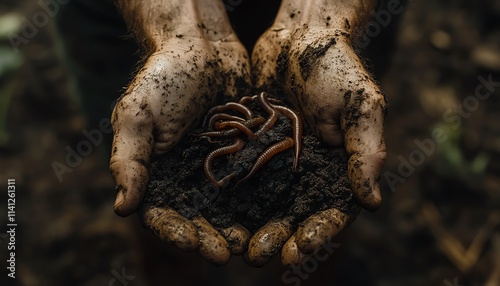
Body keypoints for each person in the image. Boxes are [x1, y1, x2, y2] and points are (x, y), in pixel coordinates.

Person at [63, 0, 387, 267]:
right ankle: (168, 268)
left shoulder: (262, 123)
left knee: (339, 143)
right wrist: (179, 28)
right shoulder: (238, 124)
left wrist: (320, 24)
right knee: (146, 160)